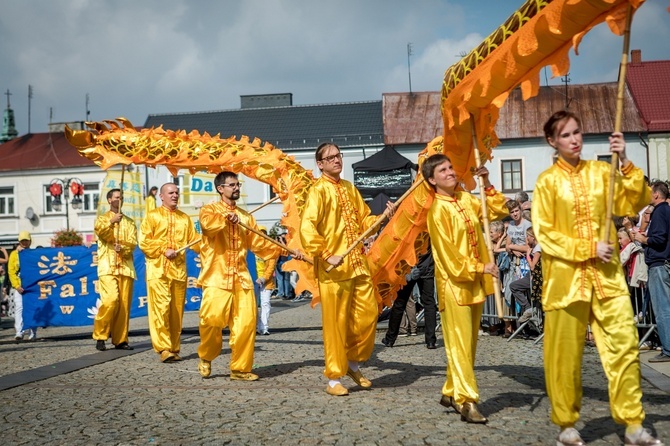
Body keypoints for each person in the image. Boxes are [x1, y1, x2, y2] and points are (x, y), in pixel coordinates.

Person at [532, 110, 661, 446]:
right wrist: (589, 247)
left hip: (607, 281)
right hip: (565, 282)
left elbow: (637, 200)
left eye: (577, 132)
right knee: (564, 355)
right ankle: (566, 424)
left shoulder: (602, 172)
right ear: (552, 141)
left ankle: (633, 423)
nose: (574, 139)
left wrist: (627, 163)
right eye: (565, 135)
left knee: (624, 348)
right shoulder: (547, 181)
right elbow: (545, 234)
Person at [300, 142, 395, 397]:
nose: (336, 160)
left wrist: (381, 218)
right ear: (320, 164)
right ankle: (333, 378)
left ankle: (353, 364)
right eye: (329, 158)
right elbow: (307, 227)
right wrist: (327, 254)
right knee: (336, 324)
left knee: (368, 315)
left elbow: (364, 220)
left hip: (357, 264)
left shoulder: (349, 188)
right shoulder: (318, 191)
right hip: (334, 270)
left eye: (338, 156)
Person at [421, 153, 507, 424]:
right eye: (443, 170)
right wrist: (481, 267)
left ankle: (449, 390)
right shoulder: (437, 211)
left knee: (467, 344)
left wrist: (487, 182)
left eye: (450, 167)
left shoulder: (466, 199)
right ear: (432, 180)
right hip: (454, 285)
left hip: (473, 285)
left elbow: (495, 210)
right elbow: (448, 256)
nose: (450, 172)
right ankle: (466, 400)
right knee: (459, 344)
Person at [196, 171, 293, 380]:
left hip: (241, 278)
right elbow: (207, 226)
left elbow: (261, 244)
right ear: (220, 189)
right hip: (216, 277)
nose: (236, 188)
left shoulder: (246, 217)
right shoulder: (209, 210)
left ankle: (240, 369)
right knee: (211, 321)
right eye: (231, 185)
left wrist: (289, 250)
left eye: (238, 185)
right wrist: (225, 218)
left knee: (246, 324)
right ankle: (206, 355)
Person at [139, 183, 200, 363]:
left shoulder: (184, 219)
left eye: (177, 193)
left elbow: (195, 242)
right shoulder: (152, 216)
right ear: (162, 196)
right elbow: (143, 241)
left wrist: (211, 235)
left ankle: (174, 347)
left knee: (175, 311)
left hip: (179, 272)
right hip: (158, 270)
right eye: (171, 193)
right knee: (160, 309)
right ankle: (163, 348)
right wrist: (163, 249)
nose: (175, 195)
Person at [92, 188, 137, 351]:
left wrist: (123, 248)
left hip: (125, 267)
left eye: (122, 197)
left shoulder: (130, 222)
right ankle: (100, 334)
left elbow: (132, 243)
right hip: (108, 267)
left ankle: (120, 339)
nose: (120, 200)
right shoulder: (102, 219)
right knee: (110, 301)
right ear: (109, 200)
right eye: (117, 197)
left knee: (124, 306)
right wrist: (112, 222)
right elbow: (103, 234)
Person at [634, 181, 670, 363]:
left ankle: (668, 349)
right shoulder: (664, 211)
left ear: (656, 194)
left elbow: (658, 238)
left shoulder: (661, 211)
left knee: (662, 309)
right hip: (662, 263)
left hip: (658, 264)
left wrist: (643, 238)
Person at [382, 244, 438, 349]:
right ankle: (431, 340)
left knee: (400, 303)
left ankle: (390, 339)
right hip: (426, 267)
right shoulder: (431, 227)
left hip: (409, 266)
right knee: (429, 303)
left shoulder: (410, 227)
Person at [508, 227, 542, 325]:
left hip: (536, 276)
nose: (526, 238)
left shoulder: (538, 249)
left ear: (533, 237)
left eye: (528, 236)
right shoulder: (534, 247)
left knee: (514, 286)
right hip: (532, 275)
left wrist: (527, 255)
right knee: (514, 286)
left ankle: (530, 309)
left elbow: (532, 266)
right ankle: (529, 309)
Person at [8, 231, 38, 341]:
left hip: (32, 286)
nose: (24, 242)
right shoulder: (14, 254)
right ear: (19, 241)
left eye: (26, 240)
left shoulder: (34, 253)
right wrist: (16, 286)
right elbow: (11, 271)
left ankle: (32, 332)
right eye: (22, 241)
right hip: (19, 286)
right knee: (19, 308)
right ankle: (19, 332)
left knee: (33, 308)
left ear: (30, 241)